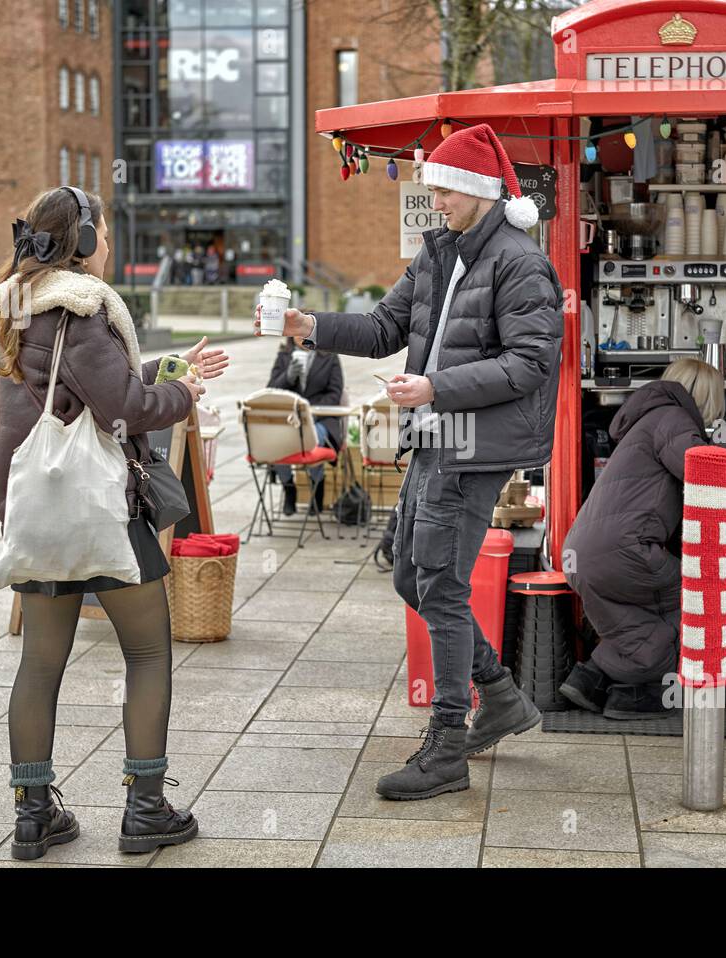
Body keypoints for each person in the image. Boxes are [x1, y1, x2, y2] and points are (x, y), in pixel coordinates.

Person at [258, 124, 564, 800]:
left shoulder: (519, 262)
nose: (437, 201)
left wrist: (433, 387)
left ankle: (448, 746)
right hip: (434, 435)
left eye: (446, 189)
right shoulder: (437, 256)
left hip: (472, 444)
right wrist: (308, 325)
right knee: (409, 576)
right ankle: (501, 695)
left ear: (479, 190)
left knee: (442, 587)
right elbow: (382, 329)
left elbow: (531, 362)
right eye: (434, 188)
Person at [0, 187, 229, 860]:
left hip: (37, 516)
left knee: (40, 665)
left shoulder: (16, 306)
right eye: (104, 231)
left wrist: (164, 370)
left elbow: (71, 393)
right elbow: (122, 407)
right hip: (103, 513)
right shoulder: (84, 311)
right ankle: (145, 808)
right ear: (87, 240)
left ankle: (33, 816)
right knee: (148, 654)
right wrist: (181, 394)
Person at [559, 359, 726, 719]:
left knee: (636, 625)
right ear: (707, 398)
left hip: (581, 556)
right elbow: (706, 471)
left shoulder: (646, 423)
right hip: (625, 553)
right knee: (691, 595)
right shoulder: (673, 420)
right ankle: (638, 695)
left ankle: (589, 679)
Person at [266, 336, 345, 515]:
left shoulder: (329, 357)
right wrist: (288, 376)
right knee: (276, 440)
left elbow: (335, 392)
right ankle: (288, 488)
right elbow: (271, 389)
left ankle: (317, 487)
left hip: (321, 418)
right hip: (290, 420)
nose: (301, 337)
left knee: (313, 436)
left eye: (305, 332)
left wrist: (311, 414)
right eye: (296, 333)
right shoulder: (284, 356)